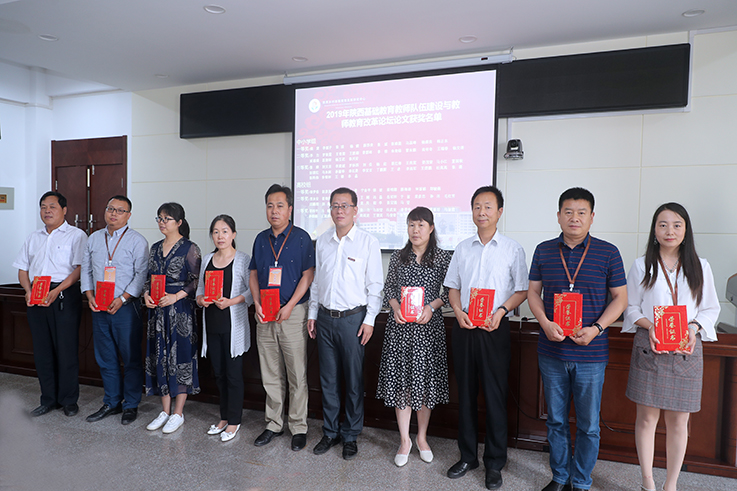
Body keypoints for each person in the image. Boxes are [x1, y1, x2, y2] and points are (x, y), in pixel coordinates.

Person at [527, 187, 627, 491]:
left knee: (589, 425)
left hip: (591, 354)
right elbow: (533, 293)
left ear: (592, 217)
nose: (575, 218)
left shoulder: (608, 252)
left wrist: (596, 328)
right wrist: (544, 322)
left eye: (581, 212)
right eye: (568, 212)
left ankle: (581, 481)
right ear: (558, 216)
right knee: (556, 420)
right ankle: (559, 477)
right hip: (552, 350)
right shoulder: (544, 250)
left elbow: (621, 299)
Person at [622, 203, 720, 491]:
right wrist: (650, 326)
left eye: (677, 225)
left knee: (679, 422)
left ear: (686, 230)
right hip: (649, 345)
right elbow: (630, 306)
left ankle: (671, 484)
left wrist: (693, 328)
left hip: (686, 348)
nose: (670, 231)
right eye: (662, 224)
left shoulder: (701, 266)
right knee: (647, 419)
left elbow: (710, 308)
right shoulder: (642, 265)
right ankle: (648, 481)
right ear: (654, 230)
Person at [443, 186, 529, 490]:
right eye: (477, 206)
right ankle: (468, 456)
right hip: (465, 327)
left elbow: (522, 290)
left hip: (495, 329)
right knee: (465, 394)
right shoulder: (462, 248)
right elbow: (453, 287)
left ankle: (494, 463)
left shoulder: (512, 249)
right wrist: (457, 311)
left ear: (500, 212)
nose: (482, 212)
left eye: (488, 206)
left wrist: (502, 311)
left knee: (494, 397)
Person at [308, 187, 383, 460]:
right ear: (330, 210)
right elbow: (317, 283)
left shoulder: (367, 242)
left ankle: (350, 434)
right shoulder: (322, 241)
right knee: (328, 380)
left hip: (353, 320)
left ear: (355, 210)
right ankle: (330, 432)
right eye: (335, 206)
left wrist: (370, 320)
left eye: (345, 206)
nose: (339, 210)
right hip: (325, 319)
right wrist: (312, 314)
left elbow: (375, 286)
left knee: (353, 381)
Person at [377, 206, 452, 467]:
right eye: (411, 225)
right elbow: (389, 288)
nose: (415, 230)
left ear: (431, 228)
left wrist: (431, 307)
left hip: (427, 330)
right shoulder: (399, 256)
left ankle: (421, 437)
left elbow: (450, 292)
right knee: (402, 383)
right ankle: (404, 440)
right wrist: (395, 307)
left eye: (420, 225)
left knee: (424, 384)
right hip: (400, 330)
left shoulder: (442, 257)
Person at [249, 184, 315, 451]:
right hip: (265, 313)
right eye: (269, 206)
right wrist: (256, 302)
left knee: (296, 373)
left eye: (279, 206)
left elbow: (308, 275)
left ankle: (298, 427)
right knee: (270, 372)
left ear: (290, 209)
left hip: (292, 313)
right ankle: (273, 423)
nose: (274, 211)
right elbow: (254, 273)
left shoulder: (301, 237)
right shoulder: (260, 239)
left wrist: (291, 306)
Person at [14, 191, 87, 417]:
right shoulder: (33, 237)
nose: (47, 211)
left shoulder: (76, 235)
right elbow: (23, 269)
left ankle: (69, 400)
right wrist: (28, 291)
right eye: (43, 207)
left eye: (52, 206)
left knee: (66, 350)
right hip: (36, 294)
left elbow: (79, 269)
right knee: (42, 351)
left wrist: (57, 290)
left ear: (64, 210)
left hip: (63, 294)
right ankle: (48, 399)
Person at [81, 195, 149, 425]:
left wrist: (123, 298)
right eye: (111, 209)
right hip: (99, 306)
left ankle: (130, 404)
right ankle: (111, 402)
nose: (114, 214)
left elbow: (141, 275)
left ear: (128, 215)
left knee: (130, 358)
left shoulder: (137, 241)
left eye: (120, 210)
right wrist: (89, 295)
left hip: (125, 308)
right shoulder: (94, 238)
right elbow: (86, 270)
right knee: (105, 357)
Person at [142, 202, 201, 434]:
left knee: (180, 357)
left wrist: (176, 296)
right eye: (159, 218)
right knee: (160, 357)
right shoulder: (155, 248)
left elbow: (196, 281)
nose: (162, 223)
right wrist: (146, 295)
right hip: (157, 310)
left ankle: (178, 413)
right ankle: (165, 411)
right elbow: (148, 278)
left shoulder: (190, 248)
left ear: (179, 222)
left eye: (167, 219)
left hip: (180, 311)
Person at [196, 215, 253, 442]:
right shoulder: (207, 259)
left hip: (233, 327)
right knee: (219, 374)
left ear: (234, 234)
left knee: (233, 375)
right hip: (212, 325)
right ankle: (224, 417)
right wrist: (201, 299)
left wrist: (231, 301)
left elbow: (252, 291)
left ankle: (234, 421)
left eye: (225, 231)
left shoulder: (243, 259)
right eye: (216, 232)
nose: (220, 236)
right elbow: (200, 289)